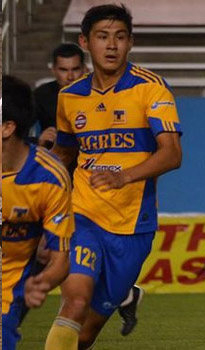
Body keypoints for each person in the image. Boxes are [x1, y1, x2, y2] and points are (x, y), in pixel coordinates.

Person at [51, 4, 183, 349]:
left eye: (120, 37)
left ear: (130, 43)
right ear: (84, 42)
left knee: (86, 334)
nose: (112, 46)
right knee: (75, 301)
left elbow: (171, 154)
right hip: (83, 216)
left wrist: (123, 177)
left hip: (132, 226)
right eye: (103, 37)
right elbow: (64, 155)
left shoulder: (151, 88)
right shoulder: (69, 97)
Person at [1, 75, 77, 350]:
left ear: (7, 127)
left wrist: (43, 282)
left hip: (7, 294)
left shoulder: (49, 177)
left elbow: (60, 261)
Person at [33, 43, 87, 150]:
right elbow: (18, 132)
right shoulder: (41, 95)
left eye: (75, 69)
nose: (70, 77)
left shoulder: (98, 94)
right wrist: (38, 140)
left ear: (84, 69)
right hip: (53, 156)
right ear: (53, 70)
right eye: (63, 70)